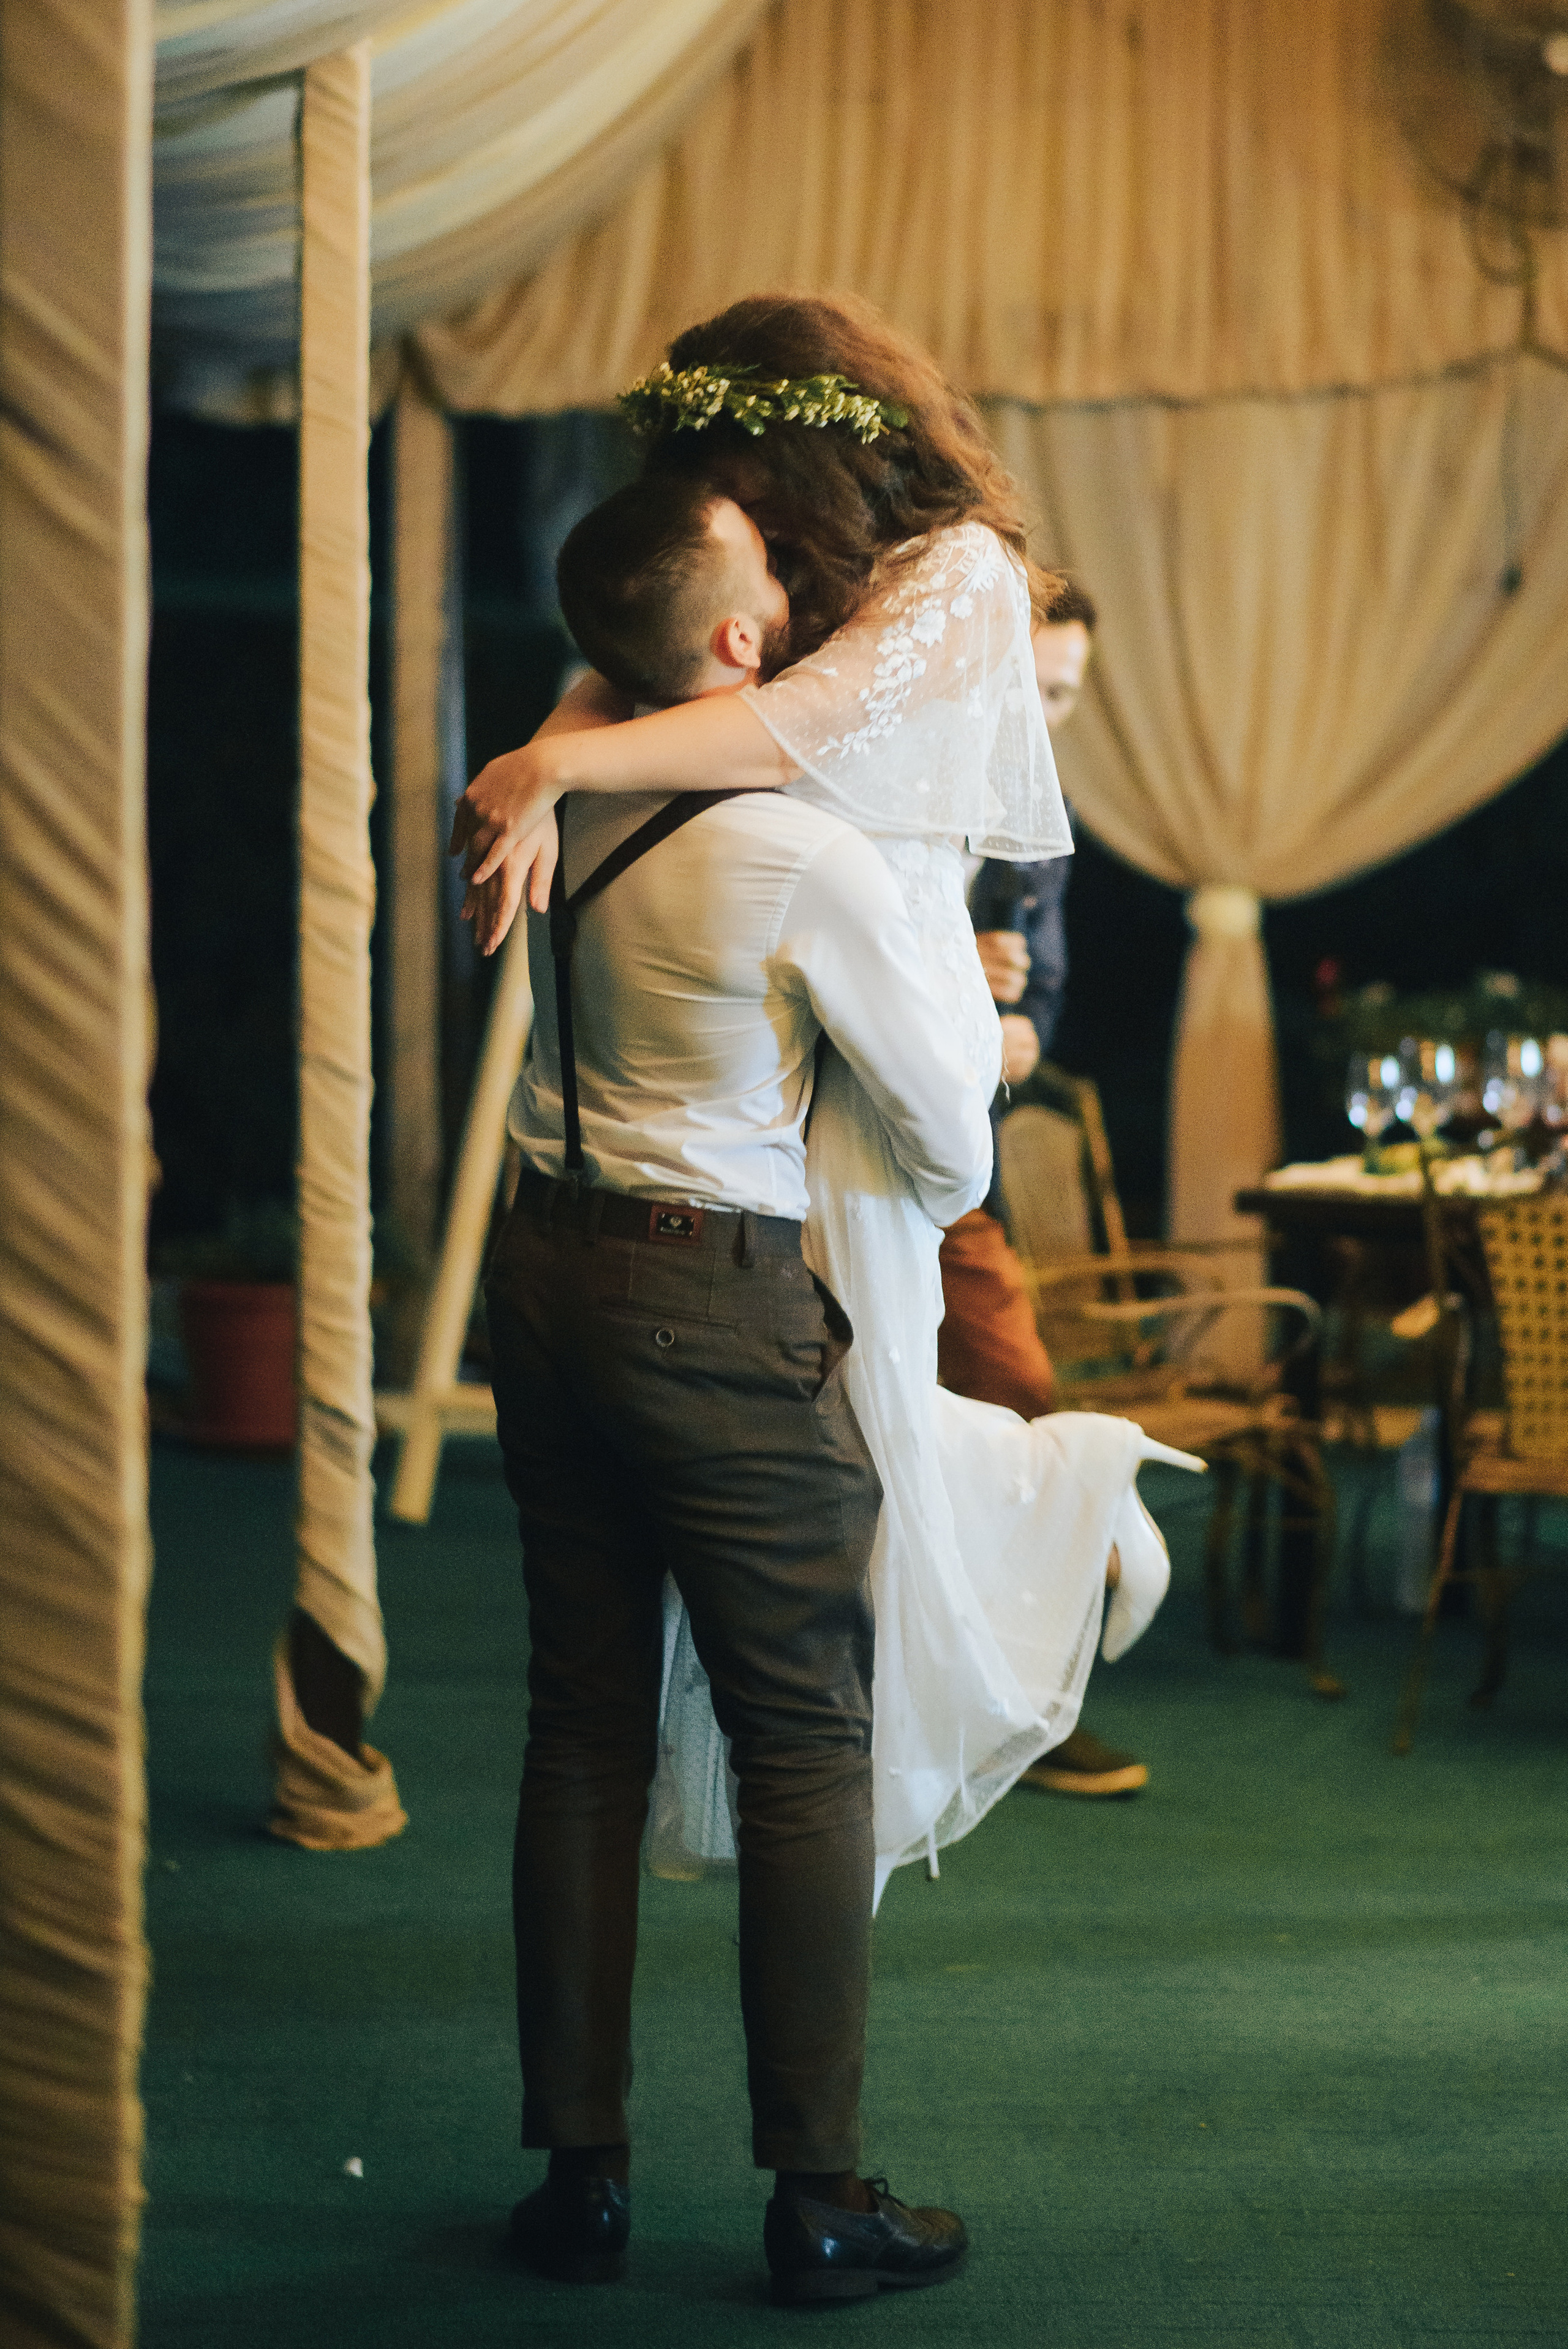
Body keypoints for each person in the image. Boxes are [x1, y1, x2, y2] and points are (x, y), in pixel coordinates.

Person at [455, 295, 1196, 1910]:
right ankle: (1054, 1514)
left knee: (873, 1447)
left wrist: (555, 772)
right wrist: (541, 751)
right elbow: (639, 660)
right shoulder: (760, 621)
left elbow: (789, 716)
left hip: (875, 992)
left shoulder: (959, 577)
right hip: (765, 1043)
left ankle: (1048, 1524)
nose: (756, 568)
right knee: (818, 1524)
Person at [487, 470, 982, 2300]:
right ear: (739, 639)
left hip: (541, 1273)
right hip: (712, 1300)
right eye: (770, 564)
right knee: (804, 1746)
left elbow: (588, 692)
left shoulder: (566, 787)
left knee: (580, 1725)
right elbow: (954, 1145)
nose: (797, 577)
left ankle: (580, 2178)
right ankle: (820, 2192)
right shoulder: (800, 851)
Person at [939, 580, 1150, 1800]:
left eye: (1060, 695)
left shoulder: (1039, 818)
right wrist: (938, 966)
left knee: (1017, 1408)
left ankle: (1030, 1707)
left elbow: (1042, 1005)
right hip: (803, 1174)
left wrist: (1013, 1036)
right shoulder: (881, 784)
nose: (1040, 715)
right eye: (1024, 685)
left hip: (952, 1168)